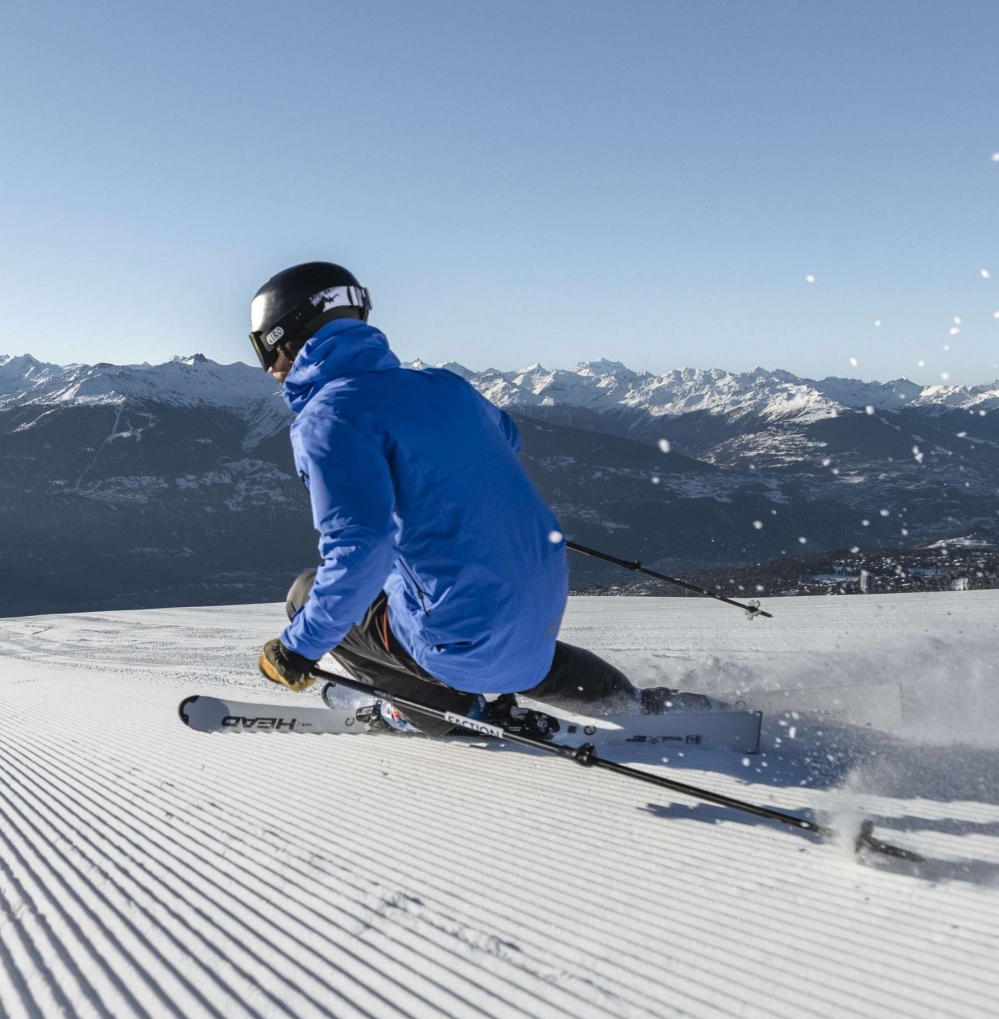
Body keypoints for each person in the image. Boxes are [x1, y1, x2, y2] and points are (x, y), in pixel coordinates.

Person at [249, 260, 684, 734]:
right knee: (510, 641)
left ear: (283, 339)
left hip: (461, 634)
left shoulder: (329, 417)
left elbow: (362, 551)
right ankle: (632, 703)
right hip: (540, 596)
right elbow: (508, 435)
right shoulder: (445, 386)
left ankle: (445, 713)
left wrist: (297, 650)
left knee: (305, 594)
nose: (268, 368)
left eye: (261, 349)